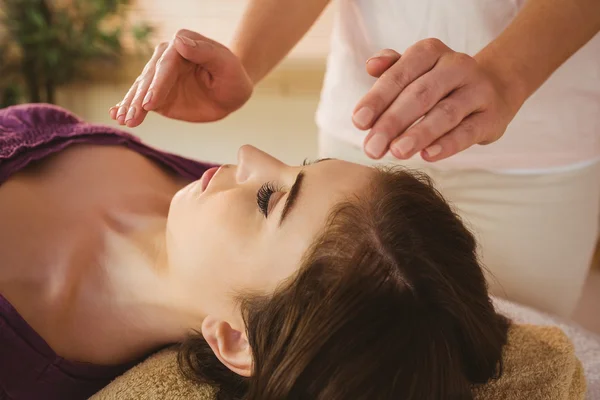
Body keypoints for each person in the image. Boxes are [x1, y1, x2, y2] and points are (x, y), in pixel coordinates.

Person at [110, 0, 600, 318]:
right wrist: (246, 60)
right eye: (294, 177)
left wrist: (507, 76)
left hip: (543, 147)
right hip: (366, 129)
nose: (246, 154)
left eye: (271, 197)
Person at [1, 104, 509, 399]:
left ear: (237, 341)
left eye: (269, 200)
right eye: (298, 165)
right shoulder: (193, 200)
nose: (248, 156)